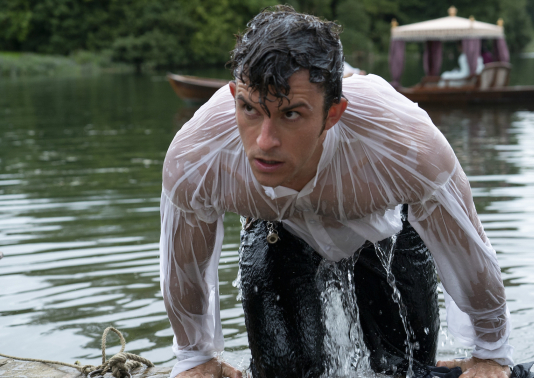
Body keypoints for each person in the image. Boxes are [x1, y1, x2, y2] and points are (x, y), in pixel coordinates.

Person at [160, 6, 512, 378]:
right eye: (249, 109)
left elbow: (469, 250)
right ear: (234, 96)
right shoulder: (196, 157)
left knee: (405, 371)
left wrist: (491, 354)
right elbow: (184, 267)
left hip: (387, 230)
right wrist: (196, 358)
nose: (264, 142)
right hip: (278, 231)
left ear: (333, 113)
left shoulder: (405, 144)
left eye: (291, 114)